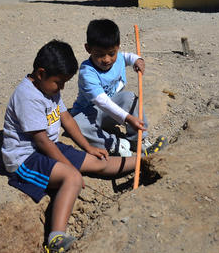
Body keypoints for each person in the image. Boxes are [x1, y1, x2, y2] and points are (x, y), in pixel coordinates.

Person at [1, 39, 143, 253]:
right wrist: (70, 167)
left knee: (97, 161)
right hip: (26, 158)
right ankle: (55, 239)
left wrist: (88, 147)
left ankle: (145, 160)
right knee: (73, 178)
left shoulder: (49, 89)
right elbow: (42, 142)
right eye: (59, 82)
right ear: (40, 73)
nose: (62, 88)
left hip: (48, 147)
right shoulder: (27, 96)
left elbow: (66, 118)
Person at [70, 19, 166, 156]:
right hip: (90, 114)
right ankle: (116, 145)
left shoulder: (118, 57)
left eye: (111, 53)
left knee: (130, 98)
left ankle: (138, 140)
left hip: (111, 112)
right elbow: (102, 102)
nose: (107, 59)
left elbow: (127, 57)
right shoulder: (87, 73)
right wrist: (127, 118)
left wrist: (137, 60)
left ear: (118, 47)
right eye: (99, 54)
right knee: (76, 125)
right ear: (88, 49)